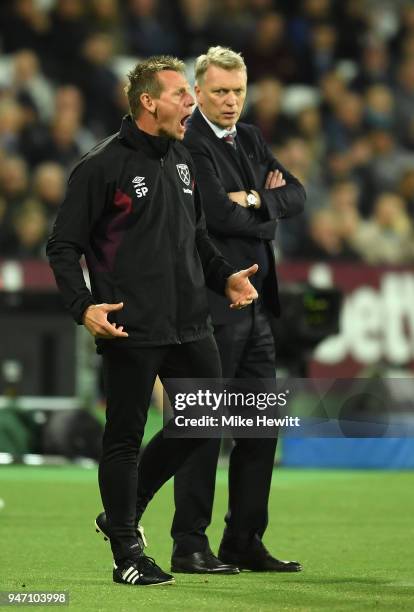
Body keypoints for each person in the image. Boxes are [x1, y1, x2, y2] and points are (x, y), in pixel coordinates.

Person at [46, 55, 260, 587]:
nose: (192, 102)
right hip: (131, 325)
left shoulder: (183, 160)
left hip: (190, 320)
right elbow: (62, 245)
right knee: (122, 437)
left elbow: (197, 239)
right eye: (181, 94)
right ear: (148, 102)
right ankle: (126, 554)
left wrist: (225, 277)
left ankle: (126, 505)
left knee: (207, 416)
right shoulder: (102, 165)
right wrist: (83, 305)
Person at [171, 46, 305, 574]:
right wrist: (262, 208)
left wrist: (254, 201)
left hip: (257, 311)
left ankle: (244, 539)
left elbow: (295, 193)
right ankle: (189, 544)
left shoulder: (249, 137)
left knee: (258, 428)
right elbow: (217, 217)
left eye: (238, 92)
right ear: (198, 92)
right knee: (203, 424)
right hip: (212, 304)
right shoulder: (191, 143)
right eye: (221, 91)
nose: (231, 101)